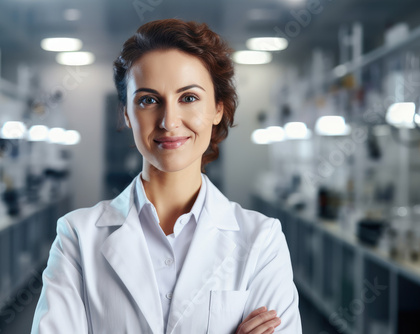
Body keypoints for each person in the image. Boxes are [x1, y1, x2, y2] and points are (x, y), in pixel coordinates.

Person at [31, 19, 302, 334]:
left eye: (188, 98)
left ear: (218, 108)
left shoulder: (262, 240)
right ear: (126, 115)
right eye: (148, 100)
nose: (169, 121)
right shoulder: (77, 237)